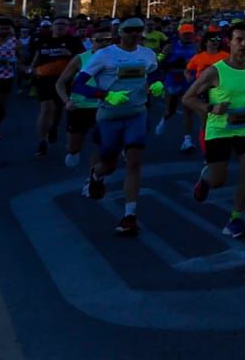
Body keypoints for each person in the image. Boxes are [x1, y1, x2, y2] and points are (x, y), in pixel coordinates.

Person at [76, 17, 163, 235]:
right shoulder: (104, 55)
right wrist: (105, 95)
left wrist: (157, 84)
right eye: (130, 30)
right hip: (109, 115)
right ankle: (96, 175)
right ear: (120, 32)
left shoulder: (147, 54)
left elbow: (154, 74)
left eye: (139, 30)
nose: (135, 34)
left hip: (137, 114)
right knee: (109, 164)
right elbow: (78, 84)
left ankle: (129, 215)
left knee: (134, 162)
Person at [182, 22, 245, 237]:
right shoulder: (215, 71)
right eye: (238, 39)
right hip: (220, 130)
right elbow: (188, 98)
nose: (243, 44)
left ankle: (235, 218)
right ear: (229, 42)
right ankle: (205, 179)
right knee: (218, 180)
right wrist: (211, 107)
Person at [55, 25, 113, 167]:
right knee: (73, 148)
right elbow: (60, 83)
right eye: (100, 40)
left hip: (103, 107)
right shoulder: (81, 59)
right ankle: (74, 151)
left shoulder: (118, 59)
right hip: (80, 107)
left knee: (102, 145)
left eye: (108, 40)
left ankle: (93, 179)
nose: (104, 44)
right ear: (92, 41)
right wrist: (66, 101)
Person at [29, 16, 81, 155]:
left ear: (68, 27)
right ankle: (42, 141)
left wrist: (69, 54)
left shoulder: (73, 41)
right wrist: (32, 69)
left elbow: (82, 59)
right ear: (52, 26)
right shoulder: (43, 41)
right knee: (46, 108)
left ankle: (53, 127)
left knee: (58, 110)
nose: (60, 27)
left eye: (64, 24)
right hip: (45, 79)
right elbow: (37, 57)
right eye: (57, 24)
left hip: (65, 80)